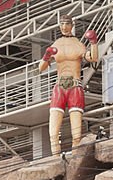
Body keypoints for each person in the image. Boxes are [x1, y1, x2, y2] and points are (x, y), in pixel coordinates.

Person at [37, 13, 99, 155]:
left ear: (72, 25)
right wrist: (47, 56)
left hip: (75, 86)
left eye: (67, 24)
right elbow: (40, 68)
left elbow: (93, 58)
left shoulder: (78, 45)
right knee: (53, 131)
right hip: (59, 87)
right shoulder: (56, 44)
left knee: (76, 133)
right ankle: (55, 160)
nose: (64, 27)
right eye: (62, 24)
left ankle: (75, 159)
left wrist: (94, 43)